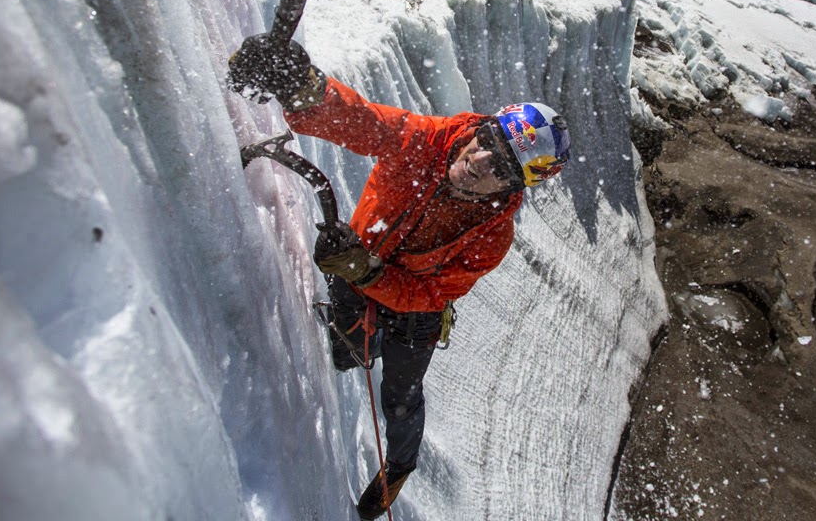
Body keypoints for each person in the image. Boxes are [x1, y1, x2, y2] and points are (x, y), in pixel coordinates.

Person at [228, 35, 571, 520]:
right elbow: (366, 123)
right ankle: (353, 352)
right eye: (487, 142)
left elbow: (430, 293)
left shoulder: (492, 236)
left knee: (401, 400)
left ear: (516, 186)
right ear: (481, 129)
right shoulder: (430, 142)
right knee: (352, 351)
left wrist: (367, 272)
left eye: (502, 167)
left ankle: (400, 465)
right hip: (357, 269)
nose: (478, 161)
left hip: (412, 311)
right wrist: (303, 89)